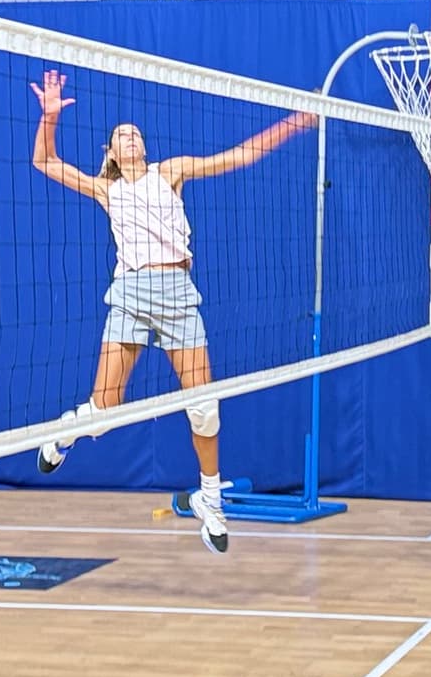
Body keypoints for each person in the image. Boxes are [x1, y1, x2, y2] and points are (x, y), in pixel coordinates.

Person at [28, 69, 316, 554]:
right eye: (122, 136)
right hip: (130, 296)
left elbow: (237, 157)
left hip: (179, 295)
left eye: (136, 133)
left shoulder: (171, 171)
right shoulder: (106, 190)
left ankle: (209, 499)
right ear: (112, 155)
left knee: (204, 407)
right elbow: (44, 160)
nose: (132, 138)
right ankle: (65, 432)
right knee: (103, 415)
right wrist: (50, 116)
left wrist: (291, 124)